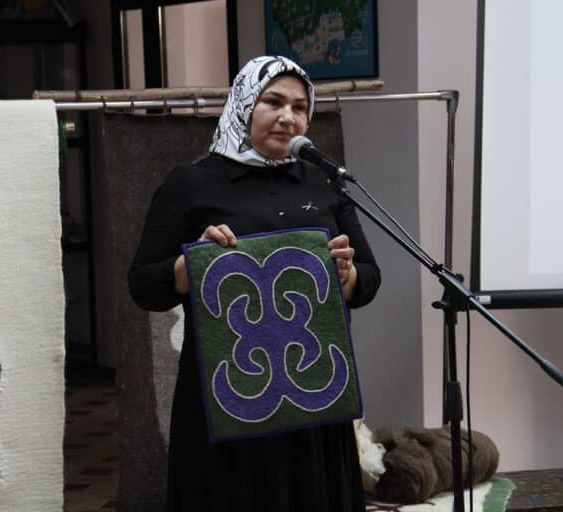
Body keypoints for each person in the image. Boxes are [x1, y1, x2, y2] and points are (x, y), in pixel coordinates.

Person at [128, 55, 381, 511]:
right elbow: (143, 284)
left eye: (300, 107)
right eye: (273, 102)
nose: (288, 117)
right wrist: (191, 264)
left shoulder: (323, 182)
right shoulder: (191, 184)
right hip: (228, 392)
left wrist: (348, 276)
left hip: (312, 390)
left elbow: (369, 277)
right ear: (243, 104)